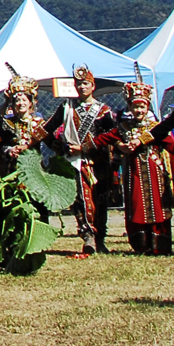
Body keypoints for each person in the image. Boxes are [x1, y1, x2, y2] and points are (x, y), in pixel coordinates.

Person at [100, 80, 174, 255]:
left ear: (147, 108)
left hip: (155, 171)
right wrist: (117, 145)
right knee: (137, 205)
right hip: (133, 172)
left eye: (142, 107)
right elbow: (103, 139)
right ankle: (141, 244)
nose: (139, 110)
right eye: (135, 107)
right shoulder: (123, 128)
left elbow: (171, 144)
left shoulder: (155, 128)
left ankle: (159, 244)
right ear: (129, 107)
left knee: (158, 205)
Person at [44, 67, 115, 256]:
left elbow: (113, 135)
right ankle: (88, 236)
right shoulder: (66, 108)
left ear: (93, 86)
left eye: (86, 83)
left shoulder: (103, 111)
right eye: (79, 84)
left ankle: (100, 239)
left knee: (100, 201)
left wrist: (89, 148)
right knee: (82, 201)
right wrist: (60, 148)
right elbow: (46, 130)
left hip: (98, 163)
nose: (82, 87)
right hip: (76, 163)